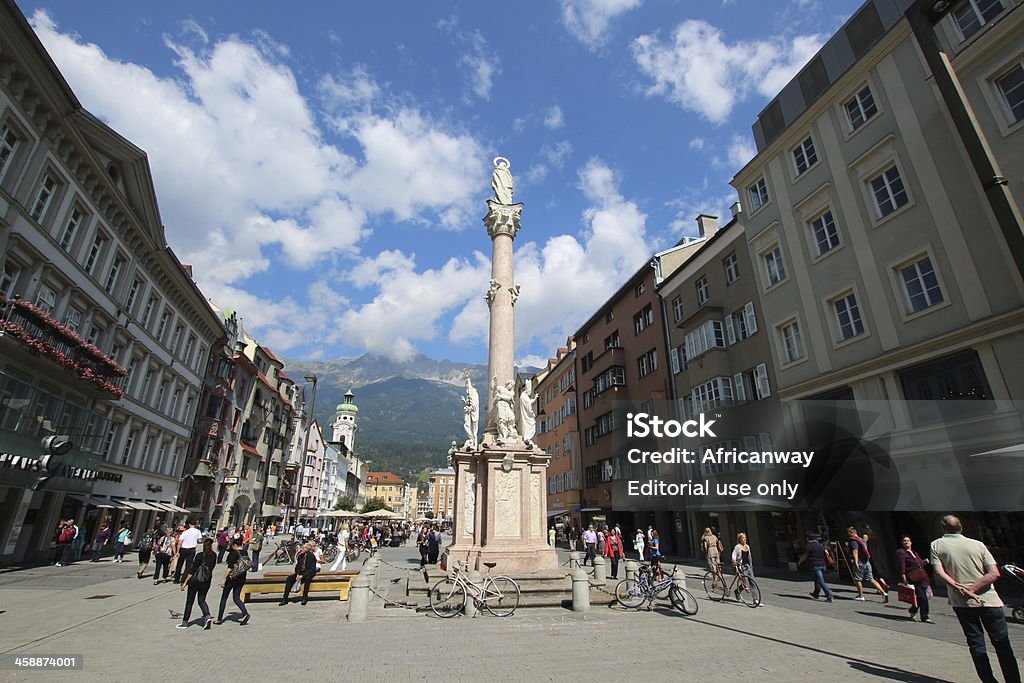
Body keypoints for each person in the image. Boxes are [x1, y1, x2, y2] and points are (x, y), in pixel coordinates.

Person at [931, 515, 1019, 683]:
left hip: (962, 603)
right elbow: (994, 573)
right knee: (1003, 645)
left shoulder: (937, 545)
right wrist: (974, 588)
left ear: (943, 528)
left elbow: (939, 572)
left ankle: (988, 680)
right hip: (990, 601)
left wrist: (962, 589)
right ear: (961, 527)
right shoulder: (978, 544)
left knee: (976, 644)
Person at [177, 537, 216, 629]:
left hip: (195, 581)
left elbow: (192, 570)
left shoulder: (199, 555)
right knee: (201, 600)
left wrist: (185, 582)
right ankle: (207, 616)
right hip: (206, 581)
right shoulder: (214, 555)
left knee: (189, 602)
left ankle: (185, 622)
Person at [846, 527, 888, 602]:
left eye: (848, 533)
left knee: (858, 579)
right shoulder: (861, 540)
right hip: (866, 561)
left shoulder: (853, 540)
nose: (848, 534)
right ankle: (883, 593)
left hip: (860, 561)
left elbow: (855, 550)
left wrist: (856, 561)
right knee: (871, 578)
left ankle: (861, 595)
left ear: (851, 533)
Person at [897, 535, 932, 623]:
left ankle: (913, 610)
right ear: (902, 543)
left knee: (921, 597)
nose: (906, 542)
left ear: (911, 542)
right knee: (922, 597)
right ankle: (925, 617)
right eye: (904, 541)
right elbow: (902, 565)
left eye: (908, 541)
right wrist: (903, 576)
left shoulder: (914, 553)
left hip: (923, 577)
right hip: (914, 578)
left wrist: (924, 562)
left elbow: (919, 564)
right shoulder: (901, 552)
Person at [216, 539, 251, 625]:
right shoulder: (245, 552)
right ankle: (245, 613)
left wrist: (224, 579)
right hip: (242, 577)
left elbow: (230, 567)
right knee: (236, 598)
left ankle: (219, 618)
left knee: (224, 597)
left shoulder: (233, 553)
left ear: (235, 545)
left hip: (232, 578)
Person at [798, 531, 834, 602]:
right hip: (823, 564)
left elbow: (805, 556)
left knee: (821, 581)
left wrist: (799, 561)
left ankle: (829, 595)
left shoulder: (809, 546)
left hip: (815, 565)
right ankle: (816, 593)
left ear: (808, 538)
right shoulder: (820, 545)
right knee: (817, 579)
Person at [731, 532, 754, 599]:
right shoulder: (738, 547)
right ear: (740, 539)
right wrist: (734, 561)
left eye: (745, 538)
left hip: (748, 566)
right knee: (745, 582)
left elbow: (749, 556)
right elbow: (733, 555)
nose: (744, 539)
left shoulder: (747, 546)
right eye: (743, 538)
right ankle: (737, 591)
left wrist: (751, 565)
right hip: (741, 566)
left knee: (752, 581)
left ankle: (755, 599)